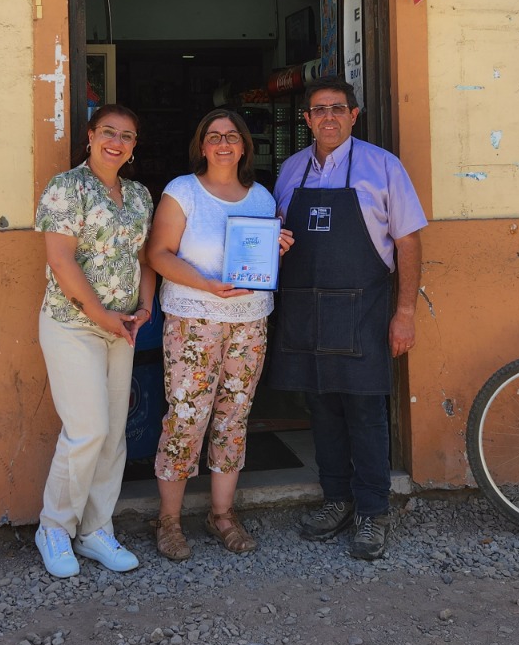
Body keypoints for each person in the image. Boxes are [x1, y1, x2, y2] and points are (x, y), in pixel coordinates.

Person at [268, 77, 427, 561]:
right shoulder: (291, 169)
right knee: (321, 408)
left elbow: (408, 243)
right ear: (307, 119)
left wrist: (405, 313)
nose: (329, 117)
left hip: (364, 310)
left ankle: (373, 511)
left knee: (364, 411)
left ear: (354, 115)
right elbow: (272, 237)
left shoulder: (383, 166)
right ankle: (335, 500)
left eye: (338, 108)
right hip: (305, 310)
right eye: (319, 110)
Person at [145, 109, 293, 562]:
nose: (224, 143)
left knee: (234, 415)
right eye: (214, 136)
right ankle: (168, 521)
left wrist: (278, 251)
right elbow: (157, 254)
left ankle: (221, 515)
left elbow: (261, 267)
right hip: (194, 319)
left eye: (232, 136)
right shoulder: (182, 191)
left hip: (249, 320)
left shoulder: (262, 198)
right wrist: (206, 284)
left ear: (245, 146)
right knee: (187, 416)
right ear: (202, 146)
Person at [33, 104, 156, 578]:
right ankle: (54, 528)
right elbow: (61, 261)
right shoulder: (67, 187)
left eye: (127, 135)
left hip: (121, 327)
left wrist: (144, 308)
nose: (117, 142)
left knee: (113, 435)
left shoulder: (140, 195)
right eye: (108, 132)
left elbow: (144, 259)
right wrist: (101, 315)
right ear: (90, 135)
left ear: (134, 145)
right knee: (88, 430)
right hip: (73, 324)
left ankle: (96, 529)